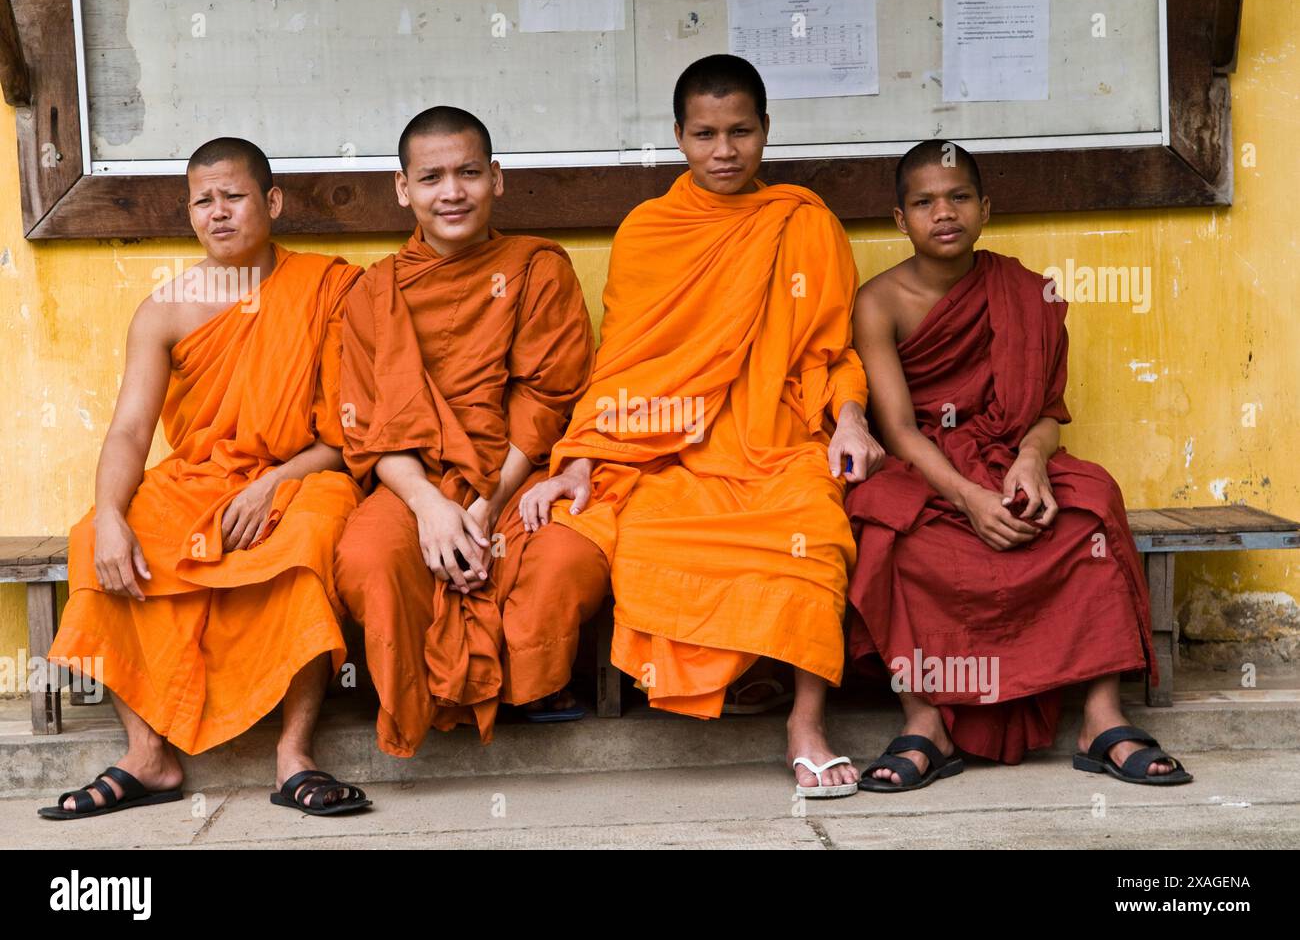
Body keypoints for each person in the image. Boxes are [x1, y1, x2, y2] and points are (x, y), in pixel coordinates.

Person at [519, 55, 881, 798]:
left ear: (766, 131)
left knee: (814, 533)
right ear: (679, 136)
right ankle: (738, 670)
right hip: (670, 445)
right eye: (706, 133)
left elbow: (831, 349)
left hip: (777, 436)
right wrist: (583, 455)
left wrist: (849, 419)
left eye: (741, 131)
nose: (725, 151)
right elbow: (622, 359)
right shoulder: (650, 230)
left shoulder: (803, 222)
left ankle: (806, 722)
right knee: (646, 534)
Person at [846, 139, 1192, 791]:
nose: (943, 213)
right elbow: (894, 429)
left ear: (985, 208)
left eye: (959, 197)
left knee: (1089, 506)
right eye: (924, 202)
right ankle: (925, 720)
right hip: (925, 464)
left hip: (1009, 455)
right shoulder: (879, 301)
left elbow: (1046, 410)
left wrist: (1030, 461)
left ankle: (1100, 717)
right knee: (888, 530)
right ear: (900, 219)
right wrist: (967, 499)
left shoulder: (1028, 291)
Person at [41, 138, 371, 819]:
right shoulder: (165, 310)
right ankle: (147, 753)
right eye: (203, 201)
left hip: (305, 473)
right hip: (200, 478)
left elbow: (352, 434)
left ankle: (294, 753)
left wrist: (275, 481)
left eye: (234, 196)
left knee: (310, 539)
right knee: (91, 539)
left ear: (271, 202)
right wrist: (109, 512)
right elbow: (131, 431)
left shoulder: (328, 288)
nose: (218, 212)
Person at [333, 107, 606, 757]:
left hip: (519, 476)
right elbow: (368, 425)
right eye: (431, 177)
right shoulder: (375, 293)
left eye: (468, 173)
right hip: (410, 482)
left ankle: (526, 683)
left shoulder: (538, 269)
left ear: (497, 178)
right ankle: (422, 694)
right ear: (404, 188)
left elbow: (546, 402)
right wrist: (431, 509)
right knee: (370, 556)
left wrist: (483, 506)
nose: (451, 191)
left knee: (571, 558)